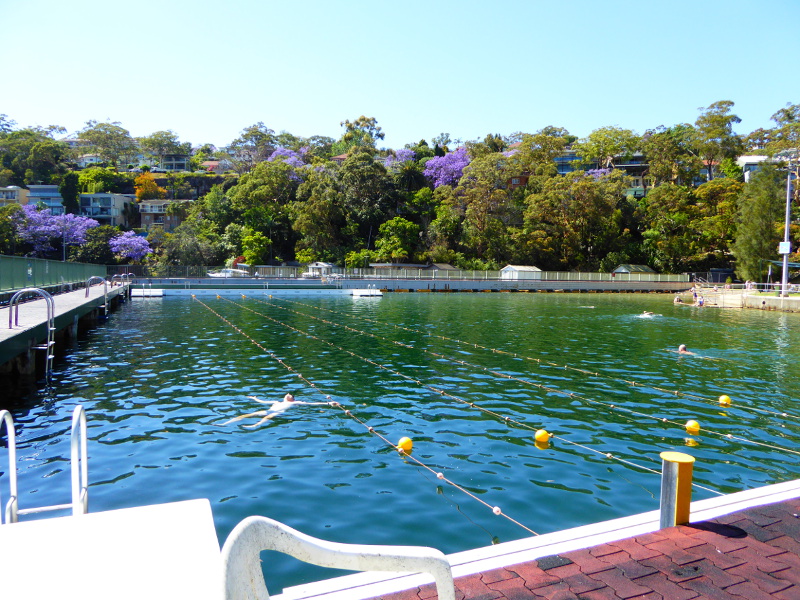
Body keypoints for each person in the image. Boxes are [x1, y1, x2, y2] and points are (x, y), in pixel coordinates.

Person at [222, 393, 335, 428]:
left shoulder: (294, 403)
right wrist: (254, 398)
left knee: (265, 419)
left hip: (277, 413)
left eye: (291, 395)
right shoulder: (277, 402)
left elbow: (312, 403)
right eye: (288, 394)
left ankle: (254, 426)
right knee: (247, 414)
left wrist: (328, 403)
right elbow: (262, 402)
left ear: (292, 399)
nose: (288, 394)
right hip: (268, 410)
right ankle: (226, 423)